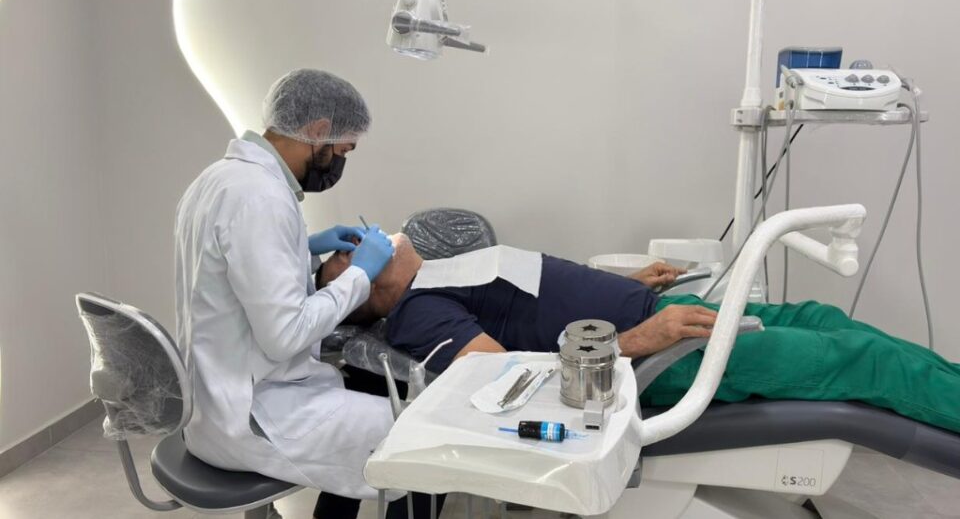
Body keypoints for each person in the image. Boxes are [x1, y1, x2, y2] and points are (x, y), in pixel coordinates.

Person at [319, 234, 960, 434]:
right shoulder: (418, 312)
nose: (360, 240)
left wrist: (628, 286)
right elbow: (504, 376)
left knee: (826, 319)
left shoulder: (441, 271)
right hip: (656, 360)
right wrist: (637, 340)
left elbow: (540, 298)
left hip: (663, 314)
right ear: (358, 289)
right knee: (862, 360)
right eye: (346, 255)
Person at [175, 69, 417, 519]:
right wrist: (359, 275)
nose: (339, 164)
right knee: (417, 436)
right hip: (252, 417)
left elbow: (233, 276)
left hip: (209, 407)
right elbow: (285, 335)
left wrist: (305, 248)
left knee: (372, 409)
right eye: (342, 151)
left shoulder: (218, 179)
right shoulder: (261, 198)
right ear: (319, 131)